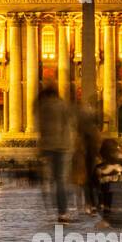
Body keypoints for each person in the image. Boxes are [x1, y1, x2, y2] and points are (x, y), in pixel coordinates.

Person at [35, 83, 73, 221]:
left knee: (51, 180)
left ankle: (53, 206)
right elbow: (68, 125)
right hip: (62, 147)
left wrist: (40, 149)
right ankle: (62, 212)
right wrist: (70, 145)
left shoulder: (42, 107)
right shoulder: (62, 105)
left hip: (47, 147)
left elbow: (40, 129)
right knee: (61, 180)